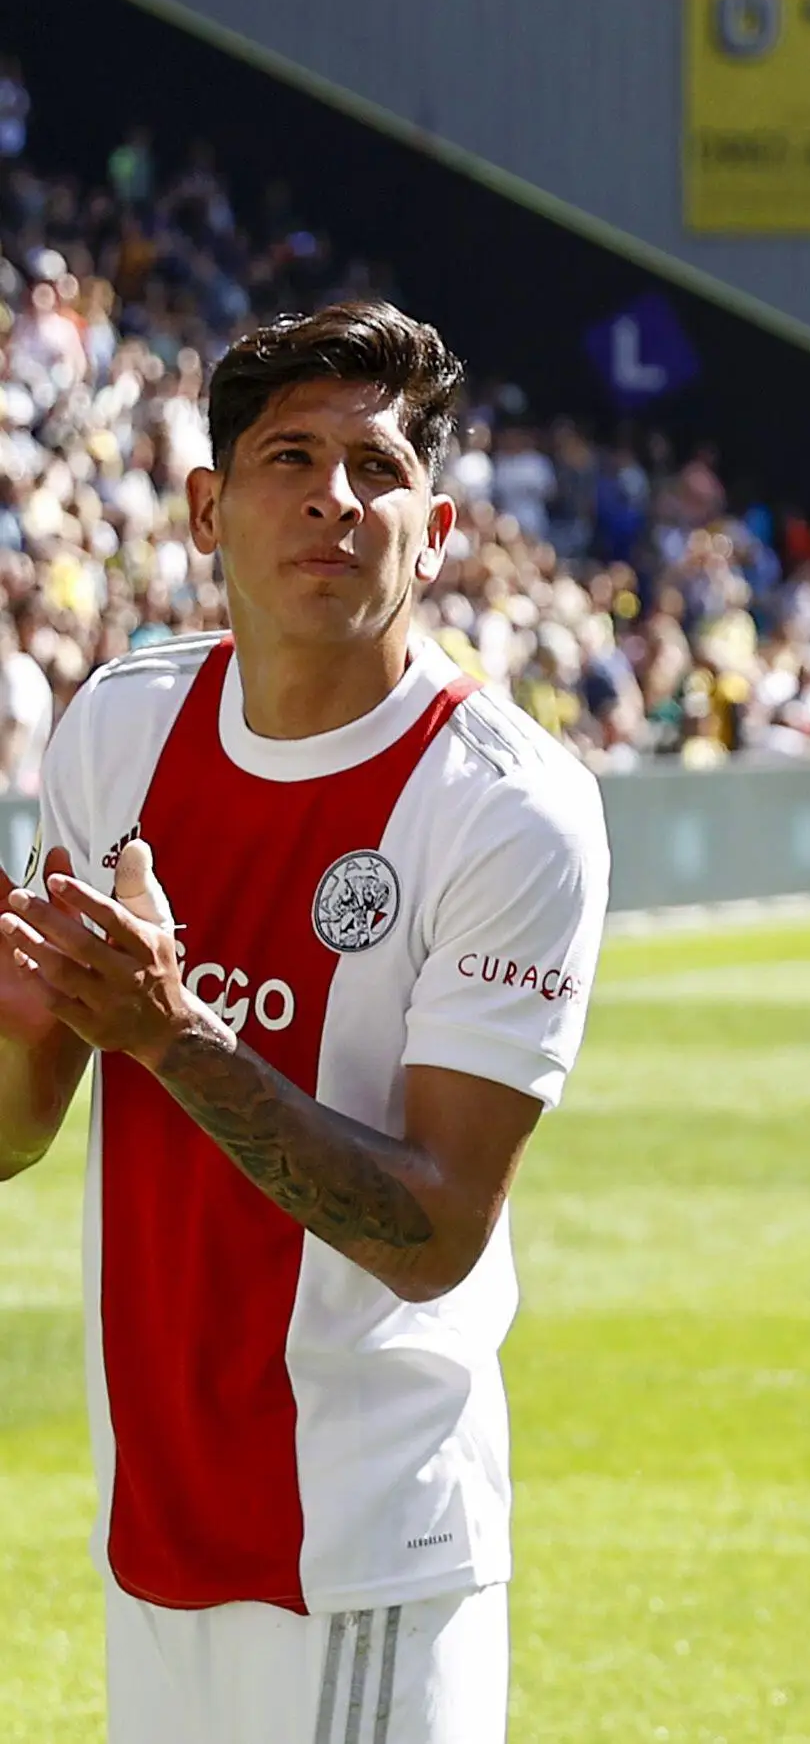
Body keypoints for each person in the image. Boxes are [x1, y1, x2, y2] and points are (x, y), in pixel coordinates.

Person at [0, 300, 612, 1744]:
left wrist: (174, 1035)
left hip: (361, 1548)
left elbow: (439, 1228)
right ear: (209, 504)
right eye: (289, 457)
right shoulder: (117, 731)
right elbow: (15, 1131)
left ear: (441, 531)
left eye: (377, 467)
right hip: (153, 1521)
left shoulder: (509, 808)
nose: (333, 496)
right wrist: (27, 1020)